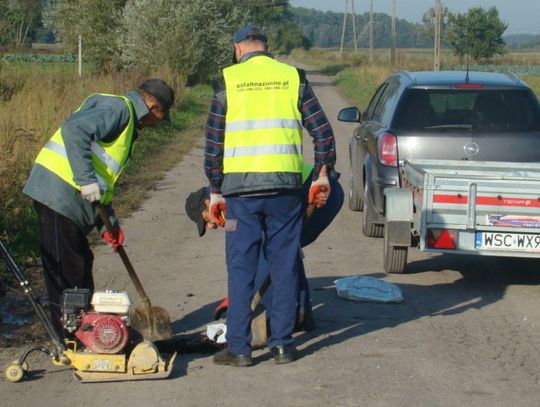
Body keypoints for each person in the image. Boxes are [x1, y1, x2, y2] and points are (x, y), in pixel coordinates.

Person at [203, 24, 336, 366]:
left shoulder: (227, 82)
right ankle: (282, 345)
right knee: (284, 264)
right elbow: (323, 133)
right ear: (267, 47)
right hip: (286, 192)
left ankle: (239, 349)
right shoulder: (293, 78)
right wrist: (322, 173)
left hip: (240, 195)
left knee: (241, 267)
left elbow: (213, 145)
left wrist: (215, 190)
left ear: (238, 49)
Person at [23, 79, 174, 338]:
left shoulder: (124, 118)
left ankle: (81, 331)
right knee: (67, 270)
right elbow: (74, 130)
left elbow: (103, 177)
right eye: (160, 117)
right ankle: (68, 339)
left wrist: (109, 224)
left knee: (80, 264)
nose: (156, 124)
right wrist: (86, 181)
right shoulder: (120, 110)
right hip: (58, 194)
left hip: (69, 198)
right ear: (152, 105)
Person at [185, 163, 344, 331]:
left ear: (207, 202)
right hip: (325, 189)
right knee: (285, 251)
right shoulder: (224, 197)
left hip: (319, 193)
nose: (210, 226)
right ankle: (301, 314)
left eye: (205, 220)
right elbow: (237, 238)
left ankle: (283, 317)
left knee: (273, 251)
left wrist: (240, 300)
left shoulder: (226, 195)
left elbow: (244, 251)